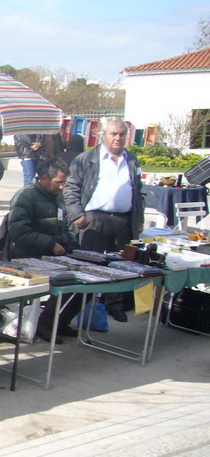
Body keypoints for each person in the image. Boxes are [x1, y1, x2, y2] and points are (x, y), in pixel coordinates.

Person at [62, 117, 143, 322]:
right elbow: (71, 188)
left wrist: (138, 218)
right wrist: (77, 215)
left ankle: (114, 304)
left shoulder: (131, 160)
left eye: (122, 134)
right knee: (87, 267)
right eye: (113, 134)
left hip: (123, 220)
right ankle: (72, 310)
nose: (118, 138)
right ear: (103, 135)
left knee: (120, 266)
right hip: (94, 220)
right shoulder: (86, 159)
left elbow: (139, 192)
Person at [6, 158, 82, 343]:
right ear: (45, 177)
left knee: (82, 284)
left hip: (53, 255)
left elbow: (63, 227)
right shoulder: (26, 196)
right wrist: (50, 244)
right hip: (29, 256)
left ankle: (60, 322)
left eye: (64, 183)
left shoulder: (57, 197)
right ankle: (45, 324)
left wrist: (74, 247)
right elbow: (19, 232)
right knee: (66, 283)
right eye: (59, 182)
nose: (62, 187)